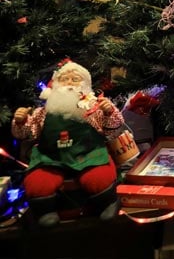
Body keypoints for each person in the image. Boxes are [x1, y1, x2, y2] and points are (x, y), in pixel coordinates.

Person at [12, 59, 124, 227]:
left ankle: (107, 203)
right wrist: (20, 122)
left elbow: (113, 131)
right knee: (38, 182)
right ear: (55, 85)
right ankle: (45, 211)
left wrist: (109, 112)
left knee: (98, 178)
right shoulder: (43, 112)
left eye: (75, 79)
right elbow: (28, 133)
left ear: (85, 85)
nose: (69, 82)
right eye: (64, 79)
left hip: (88, 154)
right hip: (51, 157)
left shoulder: (93, 109)